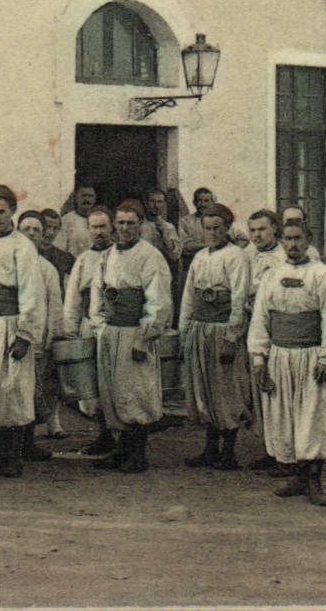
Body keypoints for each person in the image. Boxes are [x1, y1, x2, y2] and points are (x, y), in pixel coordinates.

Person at [248, 220, 326, 506]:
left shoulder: (322, 274)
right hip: (280, 355)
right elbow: (261, 318)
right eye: (287, 239)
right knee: (284, 417)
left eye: (298, 238)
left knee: (312, 417)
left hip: (311, 356)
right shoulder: (272, 275)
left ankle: (314, 480)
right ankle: (296, 478)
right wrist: (259, 358)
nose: (292, 245)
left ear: (308, 240)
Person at [91, 202, 172, 473]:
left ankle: (138, 455)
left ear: (140, 226)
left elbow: (158, 300)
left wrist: (144, 337)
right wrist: (100, 326)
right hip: (111, 332)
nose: (125, 229)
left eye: (131, 223)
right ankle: (121, 450)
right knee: (114, 392)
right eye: (121, 223)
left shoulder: (150, 256)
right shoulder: (107, 255)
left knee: (136, 393)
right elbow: (98, 295)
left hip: (135, 333)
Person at [0, 187, 45, 477]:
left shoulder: (22, 247)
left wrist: (25, 335)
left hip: (12, 324)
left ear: (13, 211)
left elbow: (32, 292)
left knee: (13, 390)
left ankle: (13, 456)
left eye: (1, 212)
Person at [178, 203, 251, 469]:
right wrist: (185, 332)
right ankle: (210, 449)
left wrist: (232, 337)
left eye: (217, 228)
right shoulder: (199, 257)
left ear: (228, 228)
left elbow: (240, 298)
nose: (212, 233)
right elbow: (188, 297)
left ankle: (229, 452)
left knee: (225, 390)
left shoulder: (236, 257)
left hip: (222, 331)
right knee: (204, 388)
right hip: (201, 328)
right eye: (207, 229)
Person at [61, 206, 116, 456]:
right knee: (92, 383)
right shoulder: (83, 260)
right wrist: (71, 332)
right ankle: (103, 434)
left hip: (114, 327)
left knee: (113, 380)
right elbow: (72, 298)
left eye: (103, 226)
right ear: (88, 230)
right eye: (94, 227)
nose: (99, 232)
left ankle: (120, 435)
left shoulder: (119, 255)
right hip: (88, 327)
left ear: (111, 227)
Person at [242, 208, 287, 471]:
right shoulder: (246, 254)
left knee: (278, 388)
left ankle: (285, 454)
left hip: (276, 328)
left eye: (262, 229)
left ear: (275, 230)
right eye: (253, 230)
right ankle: (270, 449)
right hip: (253, 326)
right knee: (259, 388)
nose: (257, 235)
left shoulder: (283, 257)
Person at [19, 209, 65, 448]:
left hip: (36, 340)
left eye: (36, 230)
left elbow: (55, 306)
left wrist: (52, 338)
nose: (31, 233)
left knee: (35, 390)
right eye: (26, 229)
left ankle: (29, 443)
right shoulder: (8, 260)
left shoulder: (47, 269)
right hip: (11, 336)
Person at [57, 185, 99, 257]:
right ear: (76, 198)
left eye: (90, 196)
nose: (86, 199)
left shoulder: (100, 219)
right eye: (83, 196)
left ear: (95, 199)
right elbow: (60, 249)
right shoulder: (66, 220)